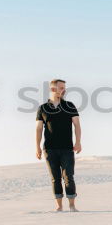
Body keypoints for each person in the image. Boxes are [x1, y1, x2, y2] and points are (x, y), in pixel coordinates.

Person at [35, 78, 82, 211]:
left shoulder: (70, 106)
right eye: (61, 88)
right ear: (52, 89)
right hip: (49, 149)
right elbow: (38, 129)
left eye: (64, 88)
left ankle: (72, 205)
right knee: (55, 178)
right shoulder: (43, 108)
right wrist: (37, 147)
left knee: (68, 176)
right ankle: (59, 206)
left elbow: (77, 125)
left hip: (67, 147)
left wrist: (78, 142)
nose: (64, 90)